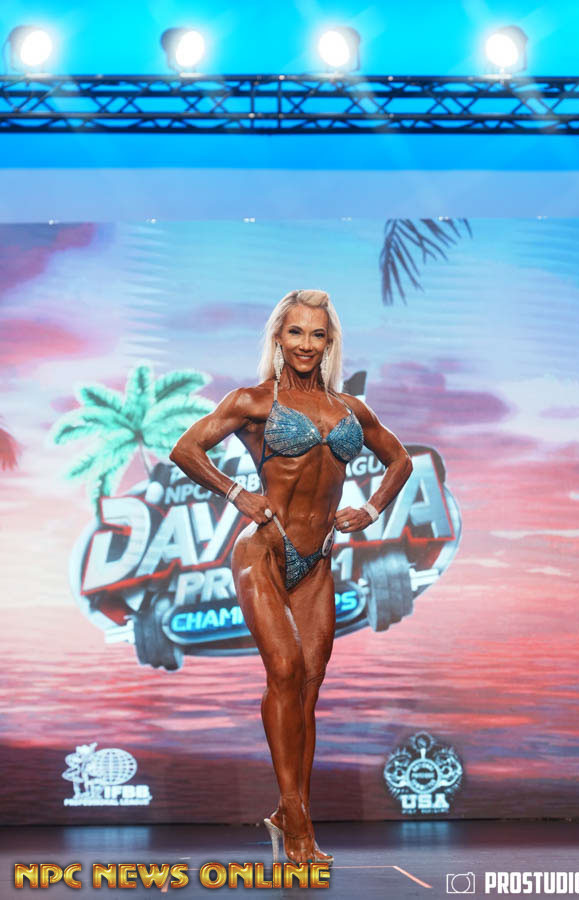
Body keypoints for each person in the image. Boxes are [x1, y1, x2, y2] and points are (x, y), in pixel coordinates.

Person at [169, 289, 413, 865]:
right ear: (279, 338)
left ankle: (289, 809)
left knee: (307, 689)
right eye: (296, 332)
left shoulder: (350, 410)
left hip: (318, 559)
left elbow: (400, 460)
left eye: (317, 334)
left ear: (329, 343)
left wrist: (371, 509)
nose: (306, 344)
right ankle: (299, 824)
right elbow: (186, 449)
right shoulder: (253, 401)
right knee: (283, 669)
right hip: (264, 552)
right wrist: (236, 492)